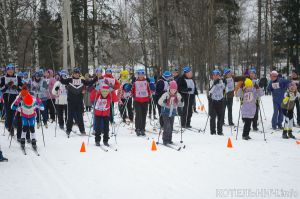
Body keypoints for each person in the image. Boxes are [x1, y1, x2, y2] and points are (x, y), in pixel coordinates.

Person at [60, 67, 98, 136]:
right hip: (71, 102)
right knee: (70, 116)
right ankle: (68, 130)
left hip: (79, 102)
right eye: (75, 73)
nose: (77, 75)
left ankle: (82, 130)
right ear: (73, 74)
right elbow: (62, 81)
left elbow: (89, 83)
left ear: (79, 74)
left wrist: (95, 79)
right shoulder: (69, 80)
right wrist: (60, 76)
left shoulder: (82, 81)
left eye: (78, 73)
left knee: (80, 116)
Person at [0, 64, 23, 136]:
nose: (10, 71)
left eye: (12, 70)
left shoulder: (17, 77)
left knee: (15, 113)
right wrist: (6, 86)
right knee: (8, 113)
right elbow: (1, 89)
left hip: (15, 97)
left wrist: (16, 87)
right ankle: (10, 128)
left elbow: (21, 88)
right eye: (9, 69)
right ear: (6, 70)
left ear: (13, 70)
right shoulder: (3, 78)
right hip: (7, 97)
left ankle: (15, 125)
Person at [158, 80, 183, 145]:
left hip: (173, 112)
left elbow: (181, 105)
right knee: (167, 126)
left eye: (174, 90)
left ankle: (169, 139)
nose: (173, 91)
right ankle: (165, 139)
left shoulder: (178, 95)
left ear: (176, 89)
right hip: (165, 112)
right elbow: (159, 102)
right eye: (171, 89)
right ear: (169, 88)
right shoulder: (165, 94)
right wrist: (164, 102)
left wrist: (181, 102)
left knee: (171, 127)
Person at [132, 69, 151, 136]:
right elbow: (132, 90)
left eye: (142, 74)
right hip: (137, 101)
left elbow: (149, 90)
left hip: (145, 101)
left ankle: (142, 129)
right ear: (137, 75)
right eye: (139, 74)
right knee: (138, 115)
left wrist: (149, 95)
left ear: (144, 75)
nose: (141, 76)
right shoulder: (135, 82)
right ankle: (137, 129)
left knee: (144, 115)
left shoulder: (146, 82)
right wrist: (132, 95)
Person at [208, 69, 225, 135]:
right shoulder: (211, 82)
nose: (215, 76)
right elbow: (210, 91)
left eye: (217, 75)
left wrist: (223, 82)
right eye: (214, 75)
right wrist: (214, 84)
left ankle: (220, 131)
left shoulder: (221, 81)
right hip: (213, 101)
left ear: (219, 76)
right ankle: (213, 131)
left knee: (220, 117)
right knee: (213, 117)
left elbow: (224, 88)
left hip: (220, 101)